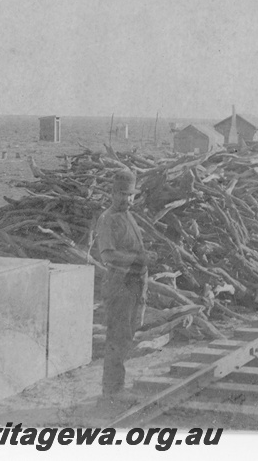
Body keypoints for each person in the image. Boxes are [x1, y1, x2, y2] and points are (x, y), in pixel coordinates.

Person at [94, 169, 157, 407]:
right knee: (117, 337)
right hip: (119, 284)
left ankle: (116, 386)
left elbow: (132, 248)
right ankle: (112, 390)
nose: (127, 199)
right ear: (112, 194)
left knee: (126, 336)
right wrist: (138, 259)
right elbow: (108, 256)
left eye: (130, 195)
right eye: (122, 194)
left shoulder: (128, 216)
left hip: (133, 284)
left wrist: (146, 255)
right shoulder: (108, 219)